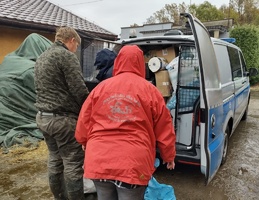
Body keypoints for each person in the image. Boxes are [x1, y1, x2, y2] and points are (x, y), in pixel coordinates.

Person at [75, 45, 176, 200]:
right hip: (132, 164)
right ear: (140, 63)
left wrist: (83, 140)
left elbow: (84, 119)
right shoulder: (151, 91)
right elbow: (164, 127)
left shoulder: (100, 88)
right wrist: (168, 156)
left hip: (99, 160)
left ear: (118, 61)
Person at [34, 26, 89, 200]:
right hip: (62, 121)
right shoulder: (66, 56)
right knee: (73, 163)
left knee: (55, 160)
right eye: (77, 46)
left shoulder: (42, 57)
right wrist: (90, 109)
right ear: (72, 40)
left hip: (43, 117)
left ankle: (60, 197)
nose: (76, 49)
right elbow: (78, 89)